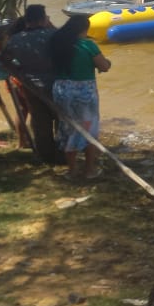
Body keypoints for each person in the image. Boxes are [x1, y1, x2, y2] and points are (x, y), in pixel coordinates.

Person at [51, 14, 111, 181]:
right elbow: (104, 66)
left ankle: (72, 170)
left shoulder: (57, 44)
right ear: (85, 29)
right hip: (84, 91)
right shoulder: (88, 45)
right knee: (89, 128)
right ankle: (89, 170)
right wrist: (108, 63)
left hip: (61, 89)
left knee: (68, 128)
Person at [4, 5, 62, 164]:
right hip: (57, 84)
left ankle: (45, 156)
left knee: (40, 121)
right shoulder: (54, 35)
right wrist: (50, 25)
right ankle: (62, 154)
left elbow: (6, 61)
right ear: (44, 18)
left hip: (30, 86)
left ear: (26, 20)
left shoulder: (16, 40)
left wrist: (21, 73)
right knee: (61, 119)